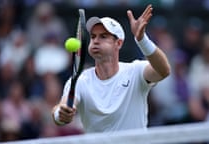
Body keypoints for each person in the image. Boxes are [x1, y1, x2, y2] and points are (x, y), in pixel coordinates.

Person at [52, 5, 170, 133]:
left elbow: (163, 71)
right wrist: (61, 114)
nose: (96, 41)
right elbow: (61, 109)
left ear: (118, 43)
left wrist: (142, 40)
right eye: (93, 36)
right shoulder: (80, 81)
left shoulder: (136, 71)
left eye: (103, 36)